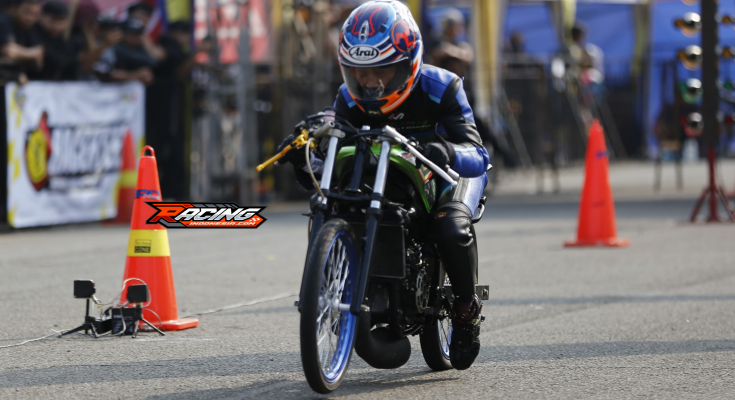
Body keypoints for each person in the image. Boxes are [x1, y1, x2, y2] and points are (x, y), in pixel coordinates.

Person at [277, 0, 488, 370]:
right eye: (359, 71)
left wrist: (447, 151)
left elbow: (479, 155)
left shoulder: (442, 86)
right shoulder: (348, 97)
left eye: (381, 70)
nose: (369, 81)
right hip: (385, 175)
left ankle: (466, 312)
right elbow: (332, 159)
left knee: (451, 228)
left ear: (408, 62)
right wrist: (304, 157)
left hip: (445, 174)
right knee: (333, 202)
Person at [93, 18, 155, 85]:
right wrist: (135, 75)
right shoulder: (114, 48)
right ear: (124, 34)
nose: (139, 37)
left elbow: (154, 61)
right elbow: (106, 71)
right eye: (135, 34)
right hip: (106, 87)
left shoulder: (142, 48)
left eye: (140, 33)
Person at [29, 1, 77, 80]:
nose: (56, 26)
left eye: (60, 21)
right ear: (42, 17)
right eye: (52, 20)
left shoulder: (61, 38)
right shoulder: (31, 32)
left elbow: (67, 62)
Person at [0, 0, 43, 83]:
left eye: (34, 14)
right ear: (14, 9)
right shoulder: (3, 23)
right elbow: (9, 52)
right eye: (26, 12)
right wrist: (31, 53)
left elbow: (39, 56)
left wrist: (19, 52)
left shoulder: (30, 28)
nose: (30, 18)